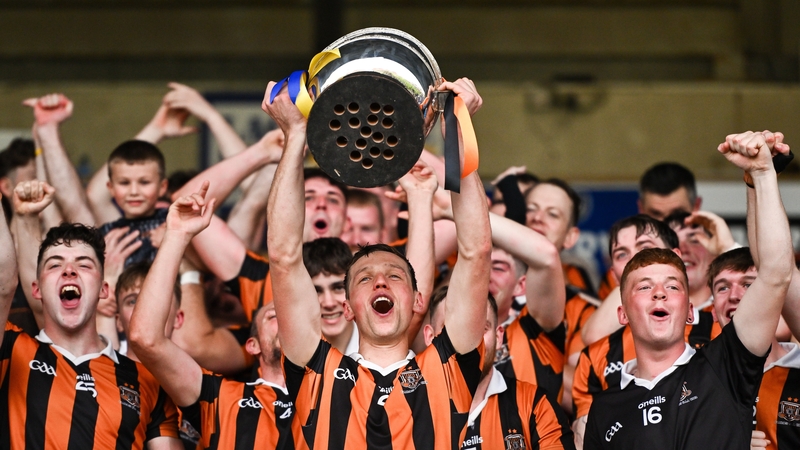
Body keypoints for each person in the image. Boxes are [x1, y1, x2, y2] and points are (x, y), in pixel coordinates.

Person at [264, 76, 491, 449]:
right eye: (364, 278)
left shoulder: (448, 369)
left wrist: (457, 132)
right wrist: (296, 137)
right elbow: (284, 257)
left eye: (395, 275)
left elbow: (476, 250)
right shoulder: (316, 369)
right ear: (347, 307)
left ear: (419, 300)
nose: (381, 282)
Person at [583, 130, 793, 449]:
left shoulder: (725, 364)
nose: (659, 293)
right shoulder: (604, 408)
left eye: (672, 285)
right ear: (622, 314)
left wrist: (763, 174)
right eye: (644, 286)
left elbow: (776, 273)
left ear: (692, 310)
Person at [2, 180, 181, 449]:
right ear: (36, 290)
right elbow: (4, 282)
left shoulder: (146, 380)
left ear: (103, 289)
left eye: (84, 264)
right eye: (55, 265)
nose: (69, 271)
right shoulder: (10, 350)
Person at [128, 182, 303, 449]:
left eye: (292, 314)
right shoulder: (219, 396)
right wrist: (176, 235)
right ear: (252, 345)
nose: (285, 319)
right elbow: (145, 338)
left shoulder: (336, 391)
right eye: (272, 316)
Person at [572, 215, 719, 449]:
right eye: (622, 254)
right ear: (613, 274)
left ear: (675, 256)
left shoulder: (717, 332)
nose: (634, 257)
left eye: (645, 247)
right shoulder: (596, 355)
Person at [423, 286, 575, 450]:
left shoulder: (536, 404)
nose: (467, 342)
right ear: (431, 338)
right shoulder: (403, 411)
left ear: (498, 337)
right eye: (453, 329)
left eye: (481, 328)